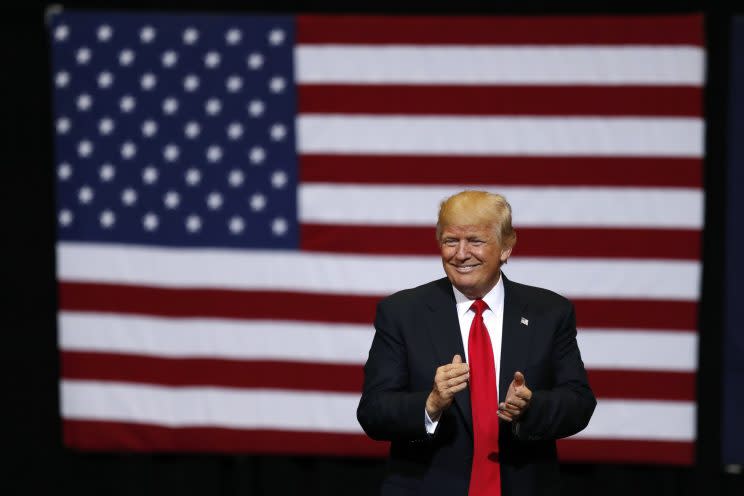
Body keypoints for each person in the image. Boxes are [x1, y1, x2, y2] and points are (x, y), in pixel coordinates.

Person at [357, 190, 596, 496]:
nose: (460, 254)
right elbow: (373, 411)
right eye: (450, 241)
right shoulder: (402, 313)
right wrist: (430, 404)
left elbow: (579, 403)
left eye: (475, 241)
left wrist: (531, 407)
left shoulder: (549, 313)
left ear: (506, 247)